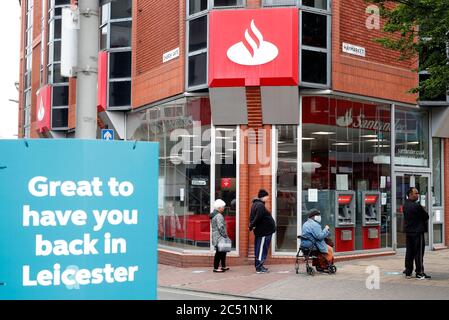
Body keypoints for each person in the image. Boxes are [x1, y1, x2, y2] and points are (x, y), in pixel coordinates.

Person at [403, 187, 431, 279]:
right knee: (418, 253)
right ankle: (419, 272)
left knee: (409, 252)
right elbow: (426, 216)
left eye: (418, 193)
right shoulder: (417, 206)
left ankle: (408, 271)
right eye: (416, 193)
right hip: (418, 232)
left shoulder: (405, 205)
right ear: (410, 194)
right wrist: (423, 209)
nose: (417, 195)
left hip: (409, 232)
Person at [249, 189, 276, 274]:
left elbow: (253, 217)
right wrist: (251, 225)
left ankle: (260, 266)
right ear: (263, 197)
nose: (268, 198)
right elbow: (257, 218)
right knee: (261, 249)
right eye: (267, 196)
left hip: (263, 231)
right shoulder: (260, 205)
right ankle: (259, 267)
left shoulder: (256, 204)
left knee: (260, 248)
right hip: (264, 232)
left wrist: (252, 225)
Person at [209, 199, 230, 273]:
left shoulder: (214, 214)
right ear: (219, 208)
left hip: (216, 236)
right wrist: (225, 235)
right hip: (219, 237)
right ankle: (216, 268)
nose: (224, 208)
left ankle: (223, 266)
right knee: (219, 252)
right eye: (223, 207)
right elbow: (220, 227)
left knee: (222, 251)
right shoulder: (219, 215)